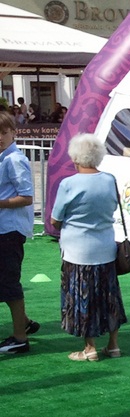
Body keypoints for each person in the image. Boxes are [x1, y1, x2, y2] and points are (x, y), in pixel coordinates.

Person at [50, 134, 127, 361]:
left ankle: (90, 347)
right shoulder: (110, 180)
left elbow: (55, 219)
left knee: (83, 298)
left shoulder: (68, 184)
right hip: (105, 247)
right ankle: (113, 345)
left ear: (75, 157)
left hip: (77, 250)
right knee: (109, 297)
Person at [0, 110, 38, 355]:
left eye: (4, 132)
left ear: (14, 132)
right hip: (5, 228)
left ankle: (20, 337)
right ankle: (22, 323)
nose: (0, 137)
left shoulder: (14, 159)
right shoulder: (5, 158)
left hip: (10, 230)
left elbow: (26, 198)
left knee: (9, 282)